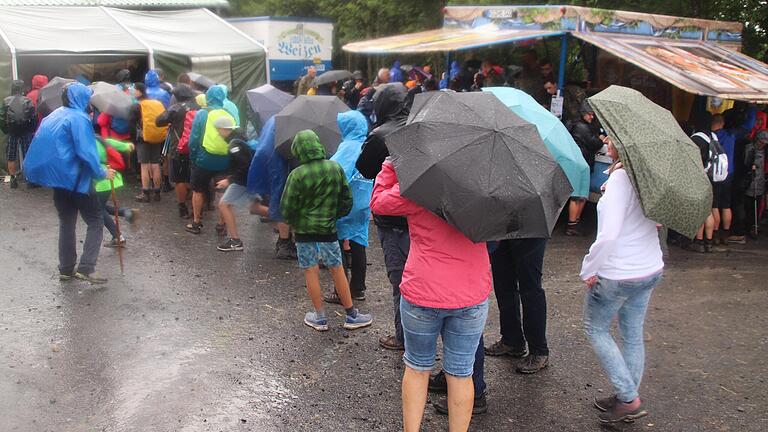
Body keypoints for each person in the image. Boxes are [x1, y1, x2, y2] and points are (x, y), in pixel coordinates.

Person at [370, 159, 491, 432]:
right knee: (461, 374)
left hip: (422, 290)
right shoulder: (486, 190)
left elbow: (379, 202)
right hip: (470, 293)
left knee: (416, 368)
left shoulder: (422, 188)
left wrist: (390, 166)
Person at [580, 136, 664, 424]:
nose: (605, 139)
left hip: (619, 272)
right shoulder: (647, 177)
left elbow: (609, 235)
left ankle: (628, 398)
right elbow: (657, 221)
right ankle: (626, 395)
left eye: (610, 136)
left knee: (596, 329)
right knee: (632, 334)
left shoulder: (621, 181)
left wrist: (589, 268)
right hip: (648, 267)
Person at [280, 130, 372, 332]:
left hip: (304, 233)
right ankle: (351, 314)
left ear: (299, 150)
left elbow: (286, 208)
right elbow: (347, 200)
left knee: (311, 270)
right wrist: (334, 216)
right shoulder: (335, 168)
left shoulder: (296, 175)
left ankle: (319, 317)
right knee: (337, 268)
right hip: (329, 229)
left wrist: (297, 222)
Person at [24, 82, 116, 284]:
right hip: (77, 179)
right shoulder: (79, 119)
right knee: (95, 220)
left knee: (67, 222)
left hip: (58, 180)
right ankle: (87, 267)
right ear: (82, 99)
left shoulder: (54, 115)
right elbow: (86, 153)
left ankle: (66, 269)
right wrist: (101, 172)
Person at [356, 83, 410, 350]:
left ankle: (403, 336)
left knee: (400, 280)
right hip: (422, 218)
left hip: (392, 220)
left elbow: (364, 169)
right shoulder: (421, 127)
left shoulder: (380, 136)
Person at [323, 111, 371, 303]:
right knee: (359, 242)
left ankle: (339, 290)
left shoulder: (346, 148)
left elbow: (333, 173)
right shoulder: (367, 146)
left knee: (338, 246)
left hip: (344, 204)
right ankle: (358, 288)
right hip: (364, 202)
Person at [485, 236, 551, 373]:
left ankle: (539, 350)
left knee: (530, 288)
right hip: (501, 228)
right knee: (503, 283)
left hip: (530, 228)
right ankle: (512, 340)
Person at [185, 85, 237, 234]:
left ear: (208, 97)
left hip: (204, 158)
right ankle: (221, 224)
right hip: (224, 160)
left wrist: (194, 157)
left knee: (198, 190)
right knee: (223, 192)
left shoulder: (202, 113)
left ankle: (196, 223)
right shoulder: (228, 114)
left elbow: (194, 139)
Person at [246, 116, 296, 259]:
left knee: (279, 199)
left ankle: (284, 241)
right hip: (280, 164)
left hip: (269, 160)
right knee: (283, 201)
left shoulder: (275, 118)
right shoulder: (290, 123)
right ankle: (285, 243)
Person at [156, 84, 199, 218]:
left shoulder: (174, 109)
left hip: (178, 148)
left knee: (179, 179)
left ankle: (182, 207)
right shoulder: (198, 108)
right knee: (193, 178)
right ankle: (196, 207)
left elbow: (158, 121)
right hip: (196, 148)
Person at [213, 116, 255, 251]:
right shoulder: (240, 138)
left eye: (218, 130)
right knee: (257, 208)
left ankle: (235, 240)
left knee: (224, 204)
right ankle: (288, 225)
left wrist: (229, 180)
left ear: (224, 130)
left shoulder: (234, 145)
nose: (218, 133)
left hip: (242, 180)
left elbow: (244, 165)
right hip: (250, 179)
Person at [566, 101, 605, 235]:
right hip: (581, 162)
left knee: (581, 195)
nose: (591, 117)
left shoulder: (577, 125)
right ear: (583, 114)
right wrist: (600, 139)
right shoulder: (582, 128)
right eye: (589, 114)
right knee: (578, 195)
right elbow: (594, 143)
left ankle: (574, 223)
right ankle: (572, 226)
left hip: (581, 162)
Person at [93, 136, 139, 247]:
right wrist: (127, 146)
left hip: (100, 181)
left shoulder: (85, 143)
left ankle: (117, 236)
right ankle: (128, 213)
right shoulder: (98, 139)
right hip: (110, 176)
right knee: (100, 206)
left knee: (98, 209)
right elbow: (111, 142)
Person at [130, 83, 168, 203]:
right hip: (156, 137)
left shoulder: (136, 106)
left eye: (134, 90)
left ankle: (145, 193)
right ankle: (157, 193)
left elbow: (131, 125)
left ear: (139, 91)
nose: (133, 91)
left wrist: (133, 140)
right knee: (156, 164)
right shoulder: (155, 104)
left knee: (144, 165)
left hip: (142, 139)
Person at [689, 113, 721, 252]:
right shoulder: (713, 136)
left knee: (702, 211)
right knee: (710, 210)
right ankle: (710, 240)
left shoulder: (697, 138)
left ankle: (699, 241)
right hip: (712, 177)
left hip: (700, 177)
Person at [0, 79, 37, 189]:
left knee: (11, 156)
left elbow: (1, 117)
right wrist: (31, 129)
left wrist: (6, 129)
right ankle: (29, 179)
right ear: (22, 89)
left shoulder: (6, 101)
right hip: (25, 131)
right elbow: (33, 117)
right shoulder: (28, 100)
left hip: (12, 131)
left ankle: (13, 179)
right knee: (27, 155)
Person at [711, 114, 735, 245]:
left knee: (714, 205)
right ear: (723, 123)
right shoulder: (731, 136)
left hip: (716, 175)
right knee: (726, 205)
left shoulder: (712, 137)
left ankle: (714, 234)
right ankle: (725, 235)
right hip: (729, 173)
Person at [744, 131, 766, 239]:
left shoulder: (765, 150)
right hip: (750, 180)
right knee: (749, 206)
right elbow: (745, 162)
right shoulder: (750, 148)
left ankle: (755, 225)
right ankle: (748, 227)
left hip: (760, 180)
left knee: (758, 204)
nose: (762, 145)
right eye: (761, 142)